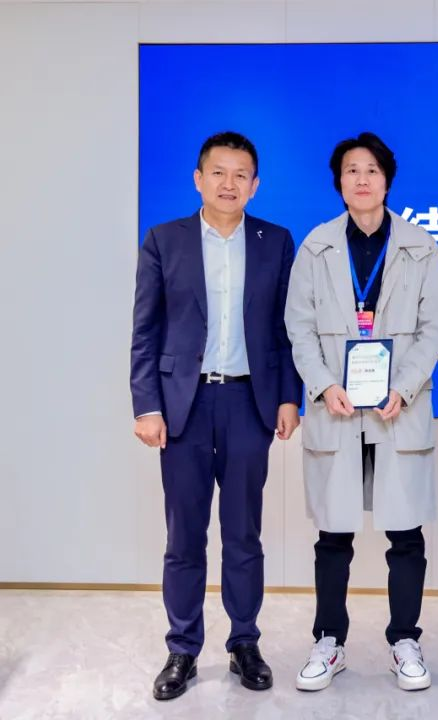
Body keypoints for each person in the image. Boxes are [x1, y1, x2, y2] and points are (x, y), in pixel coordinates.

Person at [130, 131, 302, 700]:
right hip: (183, 405)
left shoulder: (275, 242)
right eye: (219, 172)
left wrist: (288, 397)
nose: (230, 184)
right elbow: (145, 331)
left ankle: (244, 642)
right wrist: (147, 405)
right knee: (184, 535)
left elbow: (285, 330)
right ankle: (182, 648)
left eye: (241, 175)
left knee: (243, 533)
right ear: (198, 179)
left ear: (255, 185)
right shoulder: (164, 240)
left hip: (249, 404)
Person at [284, 132, 438, 692]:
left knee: (405, 533)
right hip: (338, 407)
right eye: (351, 170)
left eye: (372, 170)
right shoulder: (316, 247)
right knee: (334, 533)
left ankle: (405, 640)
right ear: (339, 181)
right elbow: (299, 327)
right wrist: (324, 384)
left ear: (387, 180)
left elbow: (432, 329)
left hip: (397, 410)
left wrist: (404, 387)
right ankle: (329, 642)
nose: (361, 179)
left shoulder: (421, 247)